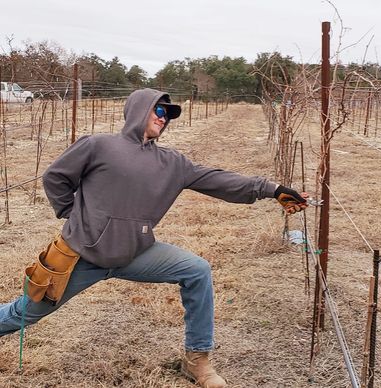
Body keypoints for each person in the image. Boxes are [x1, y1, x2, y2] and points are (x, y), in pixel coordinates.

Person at [0, 88, 307, 388]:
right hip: (81, 255)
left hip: (135, 253)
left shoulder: (172, 163)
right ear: (137, 111)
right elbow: (56, 177)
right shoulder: (98, 145)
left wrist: (272, 189)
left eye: (168, 115)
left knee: (196, 270)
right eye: (158, 110)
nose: (164, 118)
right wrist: (73, 213)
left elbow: (219, 180)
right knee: (25, 312)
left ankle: (196, 359)